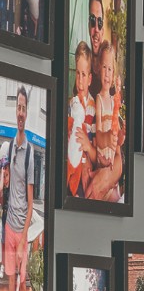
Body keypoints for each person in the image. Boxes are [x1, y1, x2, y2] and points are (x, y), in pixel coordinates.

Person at [0, 82, 39, 291]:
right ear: (15, 112)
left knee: (23, 287)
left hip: (21, 231)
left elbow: (30, 199)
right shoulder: (9, 148)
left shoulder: (31, 154)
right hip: (9, 229)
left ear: (28, 111)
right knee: (9, 283)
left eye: (25, 108)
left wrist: (25, 232)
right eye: (19, 107)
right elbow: (6, 186)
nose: (21, 112)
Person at [87, 36, 122, 204]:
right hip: (102, 159)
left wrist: (118, 139)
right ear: (98, 69)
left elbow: (117, 140)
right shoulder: (99, 100)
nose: (107, 73)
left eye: (110, 69)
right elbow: (99, 134)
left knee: (114, 198)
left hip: (112, 164)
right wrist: (108, 138)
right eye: (104, 68)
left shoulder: (114, 101)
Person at [64, 37, 91, 199]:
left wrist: (88, 145)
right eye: (77, 74)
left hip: (85, 171)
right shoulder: (70, 103)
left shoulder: (94, 107)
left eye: (83, 74)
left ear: (89, 78)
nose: (80, 81)